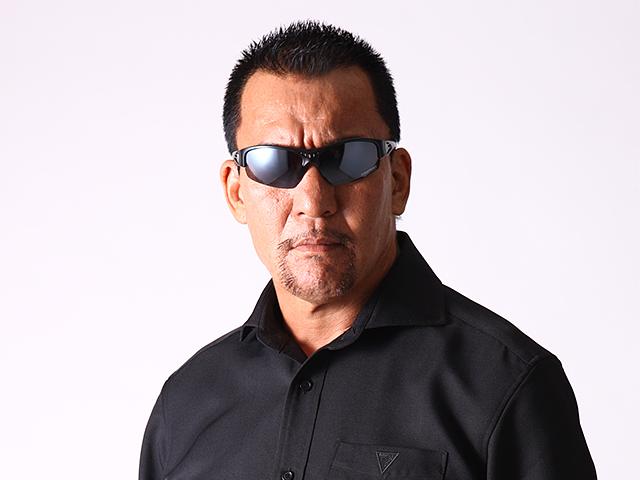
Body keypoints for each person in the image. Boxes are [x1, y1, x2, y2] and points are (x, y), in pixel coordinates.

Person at [139, 21, 597, 480]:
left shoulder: (506, 386)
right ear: (236, 192)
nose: (313, 201)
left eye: (348, 158)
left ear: (397, 180)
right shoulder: (184, 406)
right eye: (274, 162)